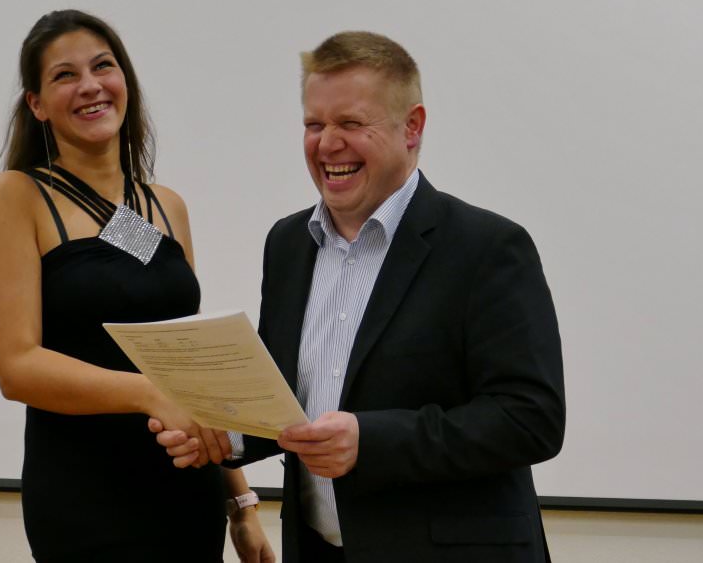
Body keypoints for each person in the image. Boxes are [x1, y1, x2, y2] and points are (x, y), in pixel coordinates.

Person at [154, 31, 565, 562]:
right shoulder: (288, 243)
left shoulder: (487, 247)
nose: (327, 144)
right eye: (314, 125)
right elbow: (289, 401)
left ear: (412, 127)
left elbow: (531, 418)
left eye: (350, 123)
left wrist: (371, 441)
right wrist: (225, 433)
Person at [0, 10, 274, 562]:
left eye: (102, 66)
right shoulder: (16, 196)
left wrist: (242, 504)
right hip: (85, 497)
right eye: (65, 75)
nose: (90, 85)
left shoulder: (166, 206)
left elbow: (189, 366)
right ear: (37, 104)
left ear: (125, 82)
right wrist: (148, 393)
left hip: (186, 490)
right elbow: (16, 367)